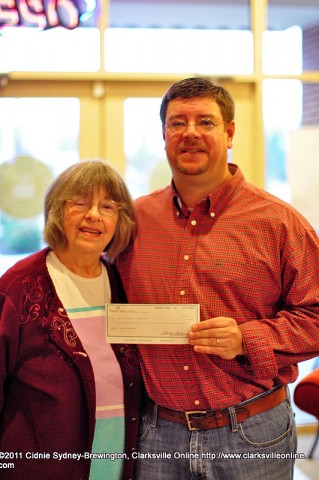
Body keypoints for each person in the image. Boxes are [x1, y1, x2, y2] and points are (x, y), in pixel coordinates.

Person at [116, 77, 319, 480]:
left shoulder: (279, 222)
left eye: (205, 122)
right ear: (163, 135)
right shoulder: (132, 221)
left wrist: (247, 338)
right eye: (177, 123)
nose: (190, 133)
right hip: (156, 435)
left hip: (252, 432)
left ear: (229, 133)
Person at [0, 159, 143, 480]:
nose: (94, 215)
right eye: (79, 203)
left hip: (117, 465)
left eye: (107, 206)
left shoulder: (123, 281)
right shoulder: (18, 287)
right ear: (56, 211)